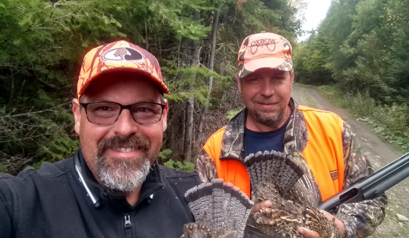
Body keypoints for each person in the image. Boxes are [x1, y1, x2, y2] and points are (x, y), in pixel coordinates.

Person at [0, 40, 201, 237]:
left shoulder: (200, 199)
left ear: (164, 116)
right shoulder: (21, 203)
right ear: (77, 116)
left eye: (144, 109)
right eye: (104, 109)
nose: (124, 129)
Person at [195, 32, 387, 238]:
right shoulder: (214, 153)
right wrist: (243, 223)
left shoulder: (333, 130)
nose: (267, 91)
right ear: (239, 83)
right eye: (255, 79)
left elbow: (373, 198)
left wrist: (342, 228)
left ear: (292, 78)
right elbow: (203, 224)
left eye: (278, 78)